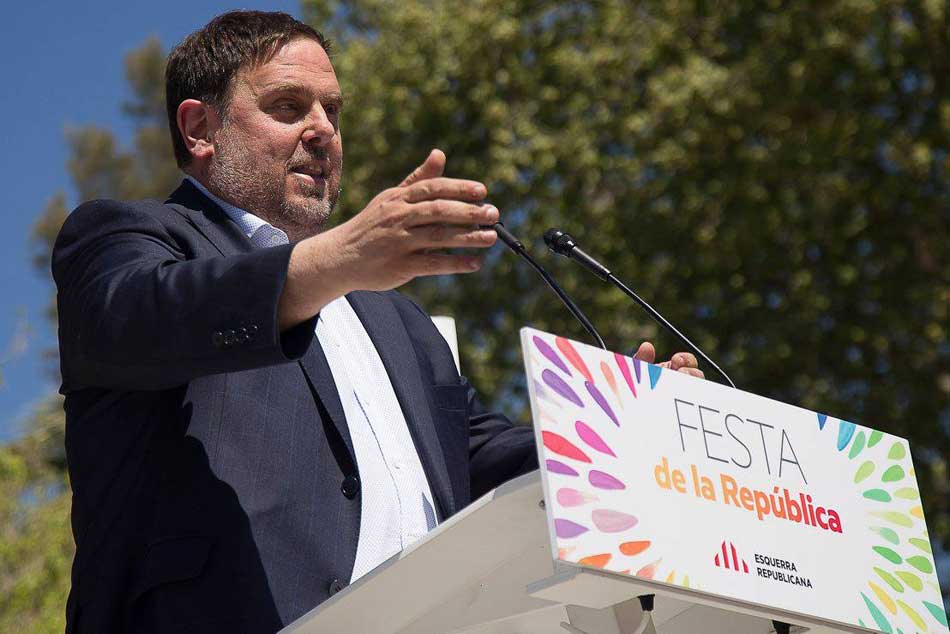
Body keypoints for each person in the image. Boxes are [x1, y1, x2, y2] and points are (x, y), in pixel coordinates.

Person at [53, 10, 704, 634]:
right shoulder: (128, 236)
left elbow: (475, 458)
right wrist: (341, 257)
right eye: (288, 106)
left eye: (332, 112)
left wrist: (621, 426)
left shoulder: (397, 320)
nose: (322, 131)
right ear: (200, 128)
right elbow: (141, 315)